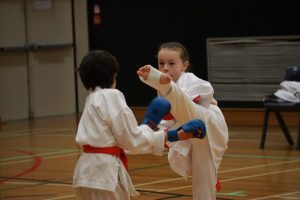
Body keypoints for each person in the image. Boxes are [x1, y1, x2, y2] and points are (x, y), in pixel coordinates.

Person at [72, 49, 207, 200]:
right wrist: (171, 134)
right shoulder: (111, 96)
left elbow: (122, 140)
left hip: (84, 173)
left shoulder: (91, 99)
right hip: (104, 174)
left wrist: (151, 127)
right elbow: (131, 141)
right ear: (113, 75)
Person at [137, 55, 229, 199]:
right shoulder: (163, 92)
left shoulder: (190, 79)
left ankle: (165, 85)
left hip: (206, 117)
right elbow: (165, 124)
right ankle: (212, 176)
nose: (165, 67)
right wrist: (169, 136)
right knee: (203, 176)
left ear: (184, 65)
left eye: (171, 63)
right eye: (161, 63)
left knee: (203, 173)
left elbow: (206, 92)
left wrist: (161, 82)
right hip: (190, 125)